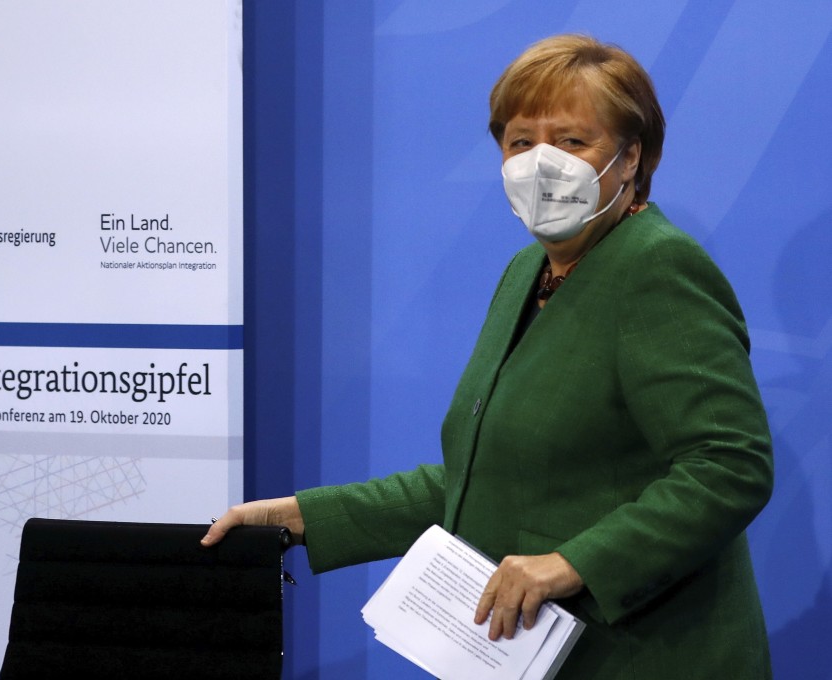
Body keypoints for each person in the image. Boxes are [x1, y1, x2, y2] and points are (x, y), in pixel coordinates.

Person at [203, 34, 774, 679]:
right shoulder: (529, 271)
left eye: (572, 141)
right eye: (521, 142)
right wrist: (305, 516)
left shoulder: (656, 266)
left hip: (645, 659)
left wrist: (574, 562)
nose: (541, 162)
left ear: (631, 156)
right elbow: (485, 478)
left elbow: (729, 465)